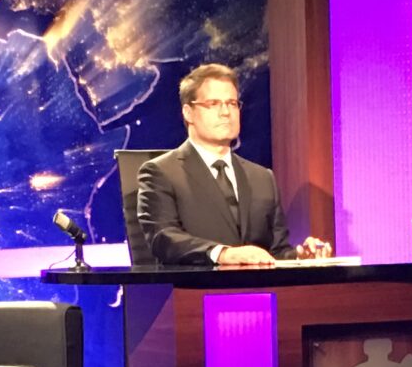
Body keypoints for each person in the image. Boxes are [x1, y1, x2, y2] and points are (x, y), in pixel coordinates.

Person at [135, 63, 334, 269]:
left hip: (260, 293)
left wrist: (302, 258)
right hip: (196, 293)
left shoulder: (262, 178)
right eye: (213, 103)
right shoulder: (161, 173)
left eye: (231, 103)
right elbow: (163, 239)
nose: (225, 112)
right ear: (188, 112)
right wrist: (223, 254)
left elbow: (276, 252)